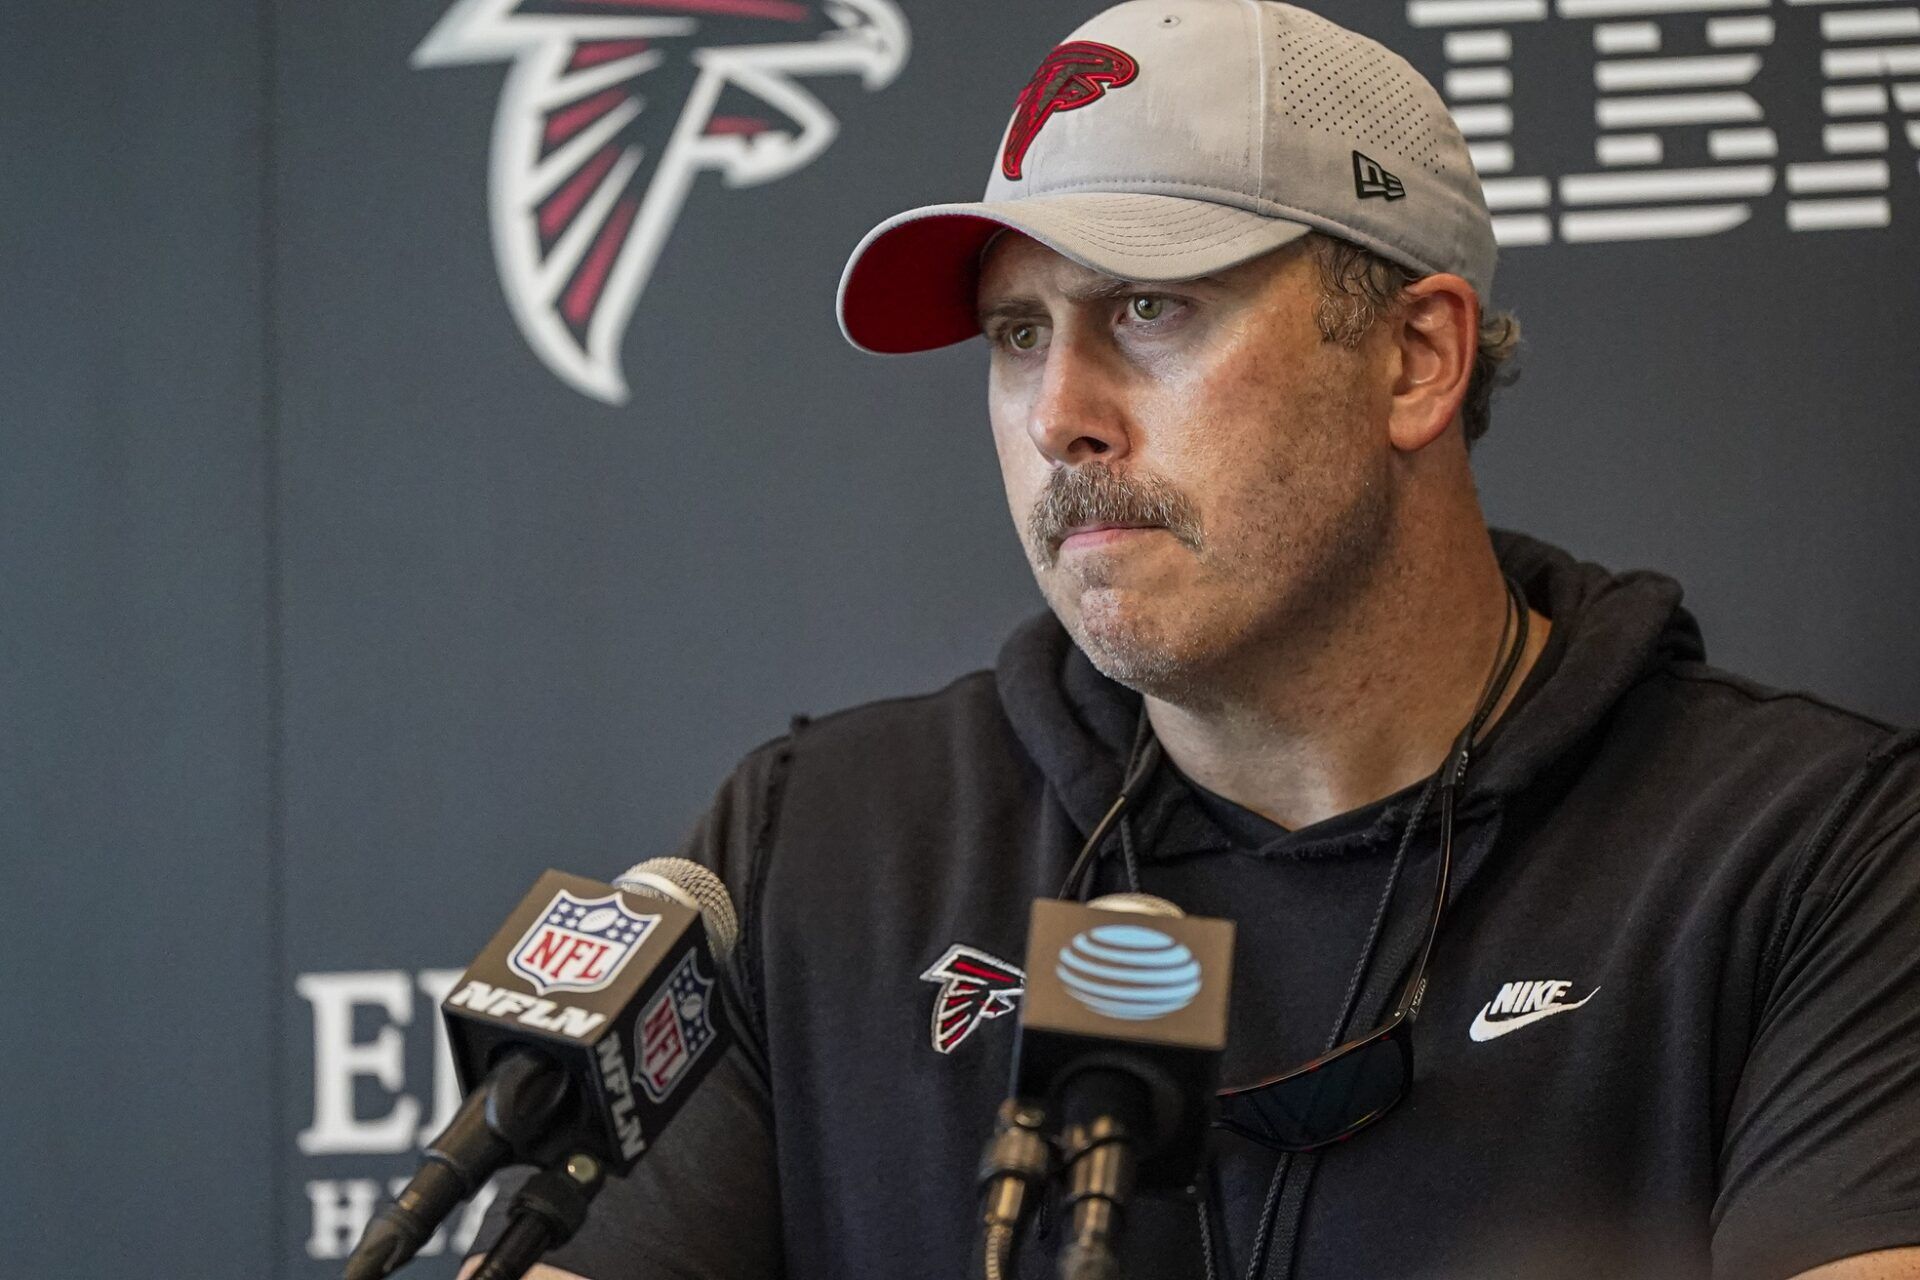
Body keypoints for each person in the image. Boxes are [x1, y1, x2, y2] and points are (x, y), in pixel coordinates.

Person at [467, 2, 1920, 1277]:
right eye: (1018, 333)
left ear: (1417, 357)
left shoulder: (1812, 851)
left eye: (1150, 307)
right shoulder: (817, 852)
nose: (1057, 416)